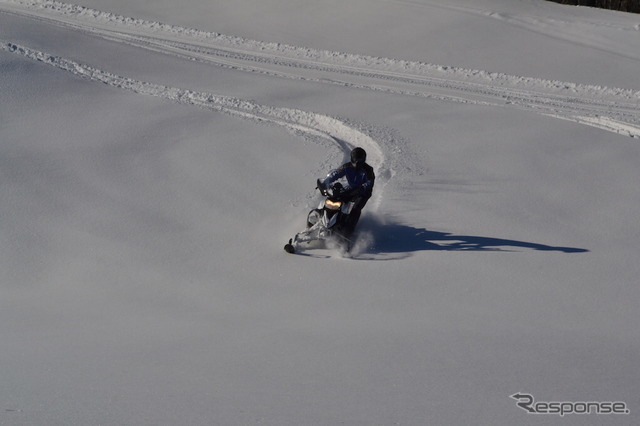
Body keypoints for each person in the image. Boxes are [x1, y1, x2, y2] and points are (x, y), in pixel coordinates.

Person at [317, 147, 375, 237]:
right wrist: (326, 182)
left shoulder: (368, 170)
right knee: (335, 200)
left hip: (363, 192)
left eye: (359, 160)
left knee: (355, 208)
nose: (356, 162)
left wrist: (362, 188)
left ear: (363, 159)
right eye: (355, 159)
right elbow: (335, 174)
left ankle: (348, 232)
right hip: (351, 189)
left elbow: (369, 182)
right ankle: (324, 222)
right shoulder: (347, 166)